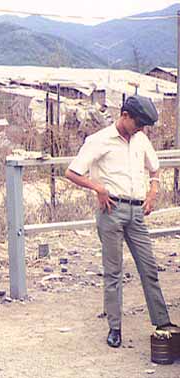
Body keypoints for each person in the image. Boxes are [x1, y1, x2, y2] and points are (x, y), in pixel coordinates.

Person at [64, 95, 179, 348]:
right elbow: (71, 172)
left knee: (149, 268)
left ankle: (162, 322)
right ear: (124, 115)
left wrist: (153, 191)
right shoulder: (99, 140)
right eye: (138, 123)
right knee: (114, 272)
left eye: (144, 126)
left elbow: (155, 167)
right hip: (112, 210)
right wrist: (98, 188)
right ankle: (114, 328)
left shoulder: (141, 139)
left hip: (136, 212)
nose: (141, 129)